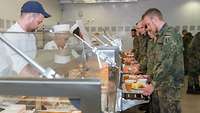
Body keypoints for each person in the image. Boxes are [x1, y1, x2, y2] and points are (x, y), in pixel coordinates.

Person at [141, 8, 184, 113]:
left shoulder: (169, 35)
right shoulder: (160, 36)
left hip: (170, 86)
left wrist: (153, 84)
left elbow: (167, 63)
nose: (148, 28)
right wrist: (150, 76)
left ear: (155, 19)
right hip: (161, 84)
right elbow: (157, 61)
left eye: (148, 24)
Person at [2, 0, 50, 77]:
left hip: (29, 80)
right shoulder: (11, 37)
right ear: (30, 17)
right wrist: (41, 82)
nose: (38, 26)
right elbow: (18, 68)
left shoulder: (31, 36)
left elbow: (32, 62)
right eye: (38, 22)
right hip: (16, 82)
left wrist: (42, 74)